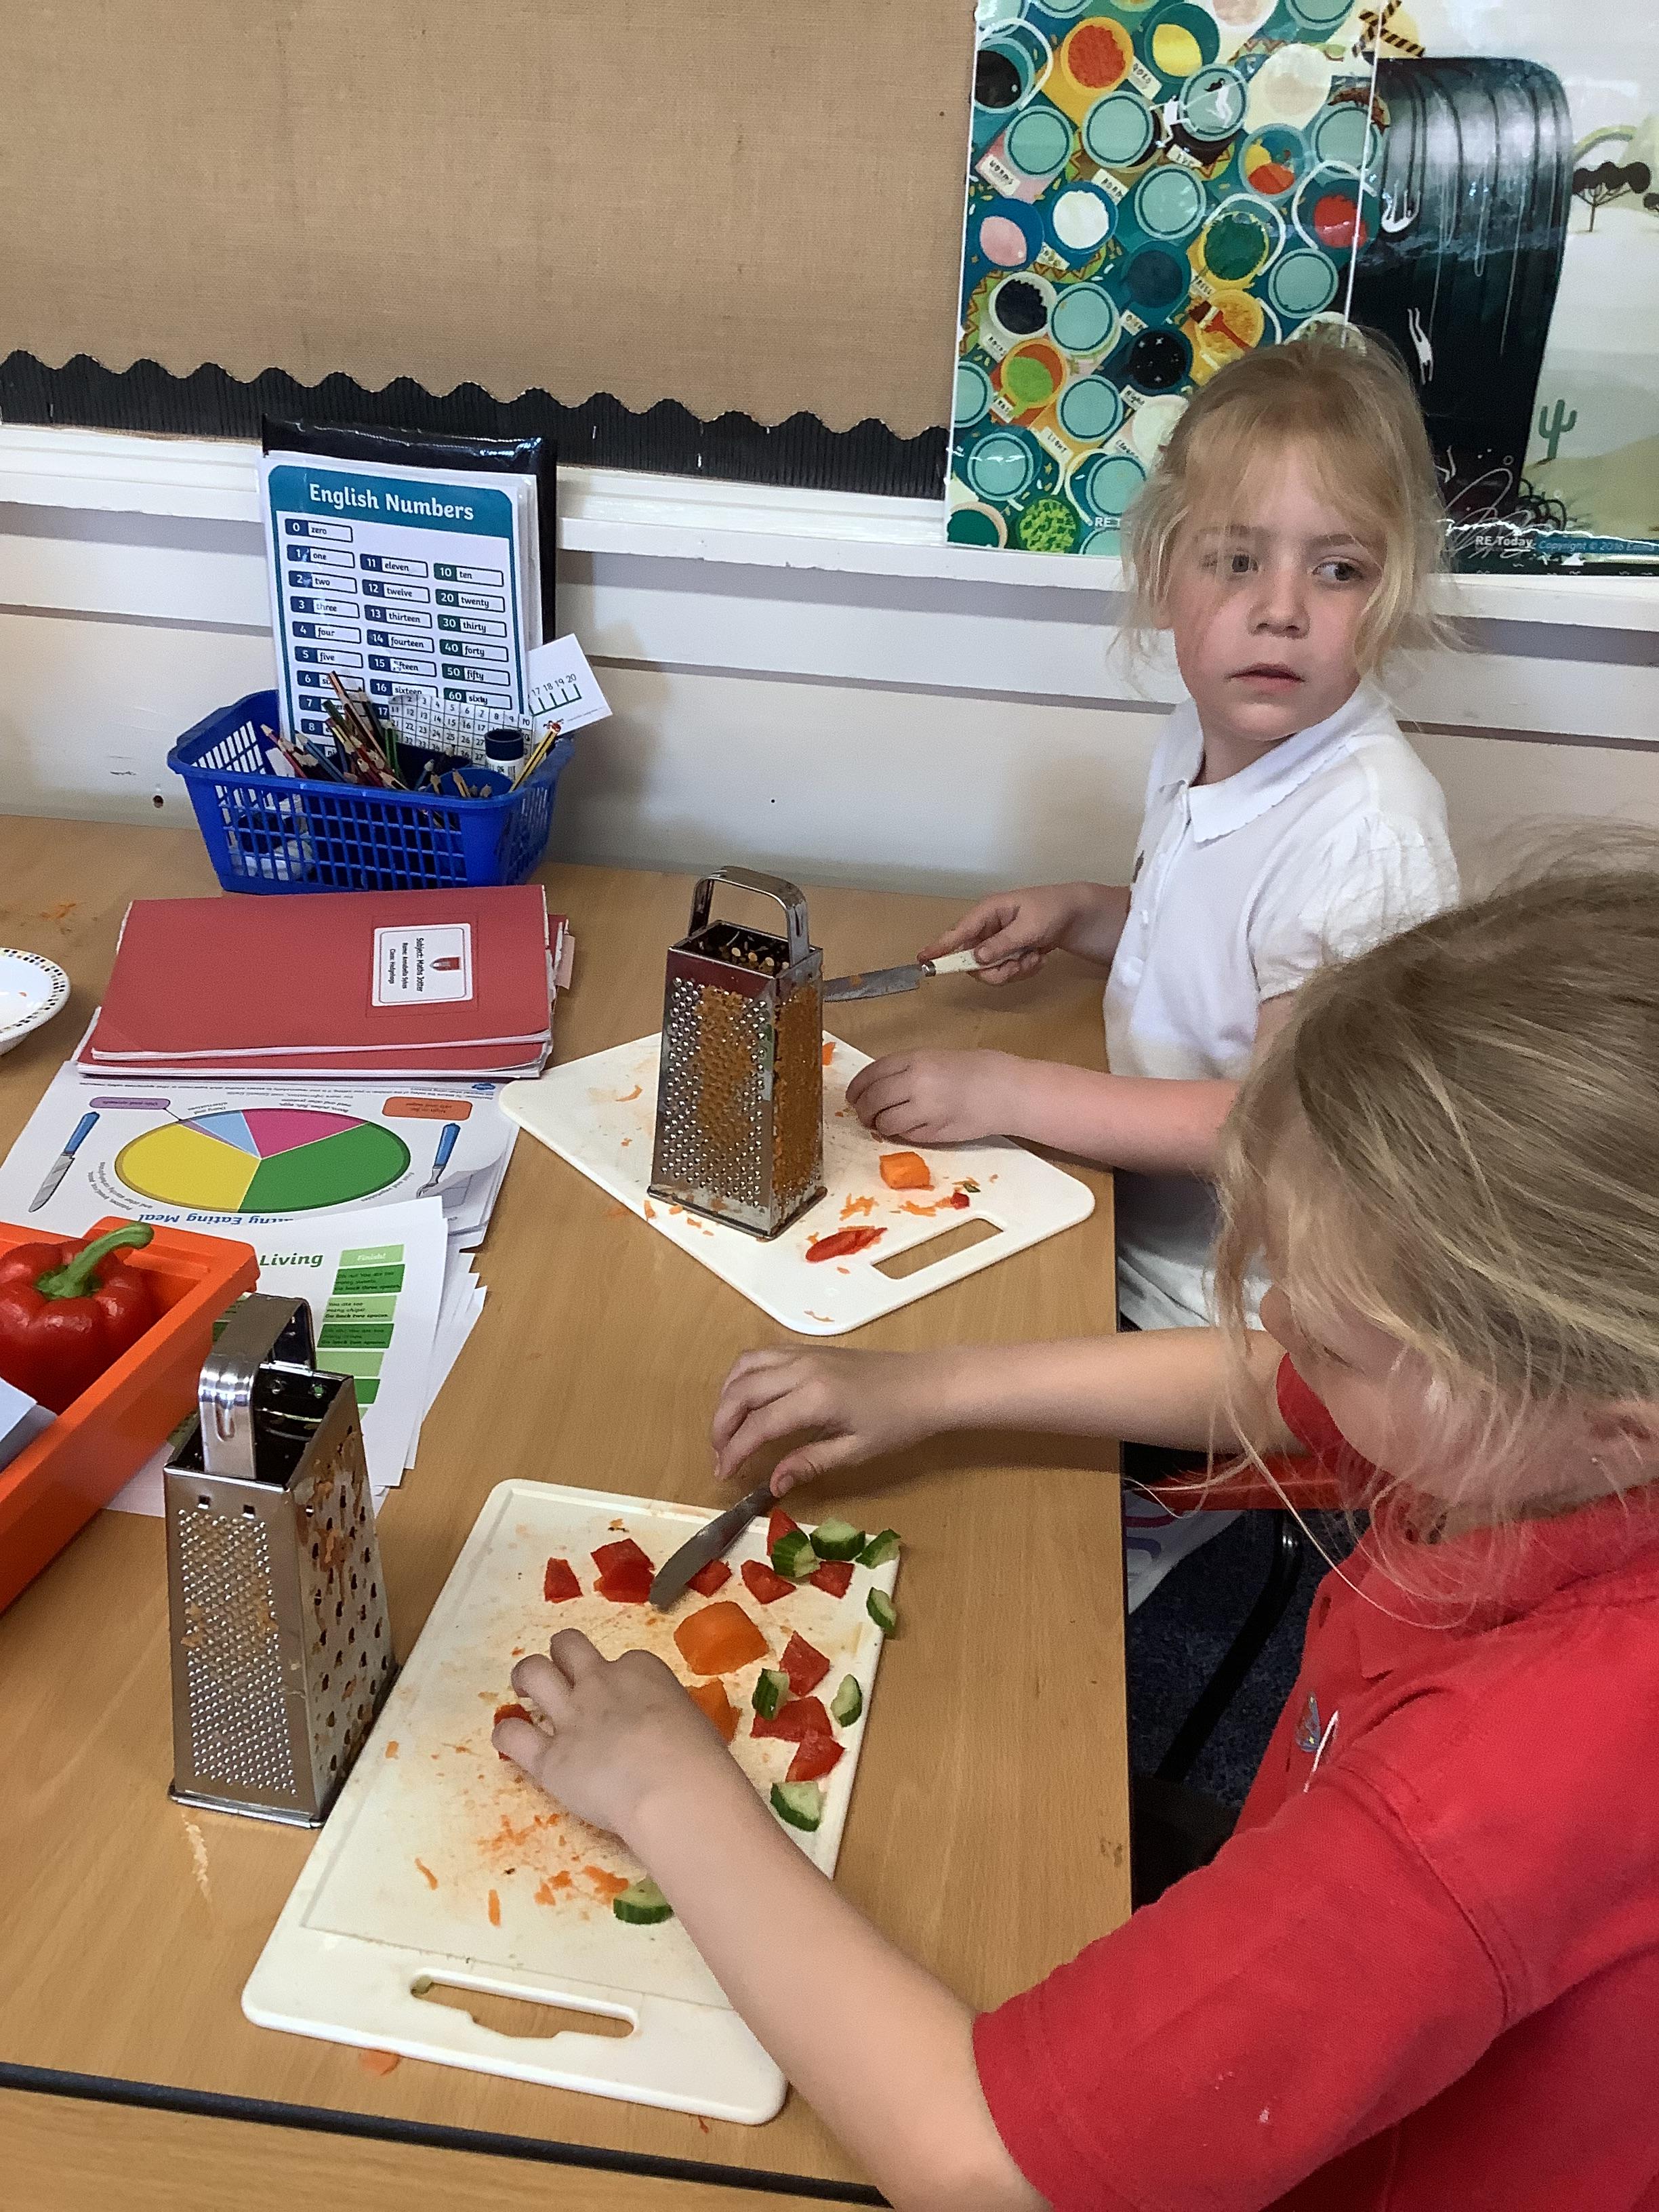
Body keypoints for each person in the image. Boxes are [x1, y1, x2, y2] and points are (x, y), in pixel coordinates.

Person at [497, 853, 1659, 2210]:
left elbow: (986, 2168)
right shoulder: (1548, 1439)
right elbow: (1265, 1384)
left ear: (1608, 1423)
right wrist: (931, 1387)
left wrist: (665, 1788)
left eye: (1336, 1340)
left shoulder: (1484, 1799)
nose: (1279, 1330)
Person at [859, 327, 1462, 1601]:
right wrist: (1090, 914)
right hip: (1132, 1217)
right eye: (1237, 560)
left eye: (1338, 569)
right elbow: (1222, 932)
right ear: (1164, 575)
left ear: (1393, 590)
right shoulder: (1209, 730)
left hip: (1238, 1318)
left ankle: (1123, 1564)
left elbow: (1277, 1127)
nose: (1281, 608)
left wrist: (1010, 1090)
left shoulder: (1369, 830)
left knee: (950, 1509)